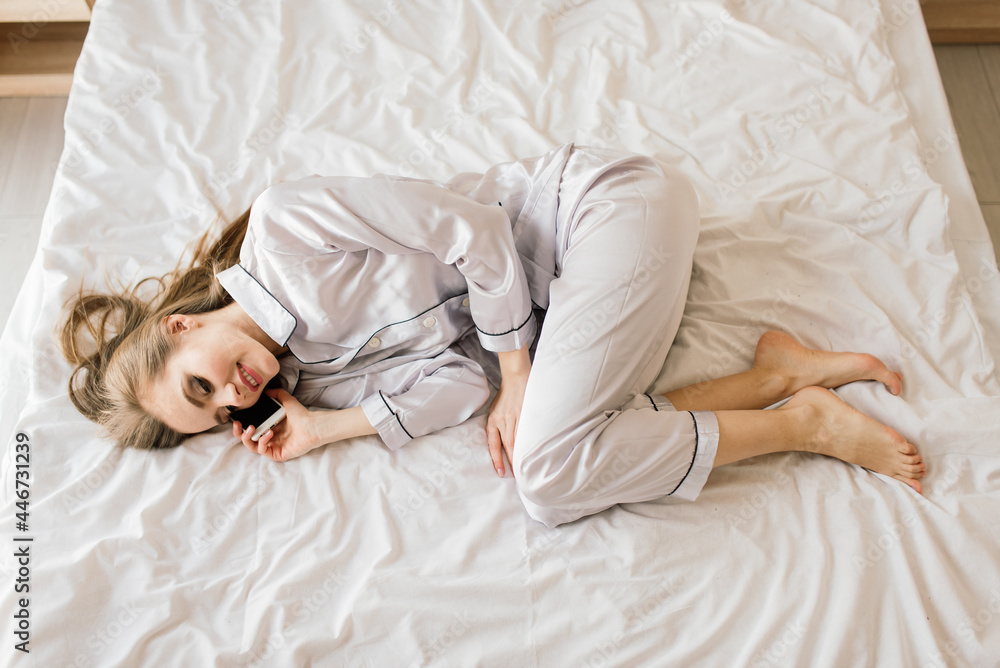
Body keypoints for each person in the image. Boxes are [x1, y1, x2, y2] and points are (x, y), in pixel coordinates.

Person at [59, 143, 926, 528]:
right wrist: (326, 427)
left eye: (199, 384)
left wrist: (517, 372)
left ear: (181, 327)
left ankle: (802, 422)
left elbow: (472, 228)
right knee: (559, 463)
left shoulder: (286, 228)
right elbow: (459, 389)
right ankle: (776, 376)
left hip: (597, 210)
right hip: (576, 305)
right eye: (216, 417)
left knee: (548, 475)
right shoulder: (311, 377)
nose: (232, 398)